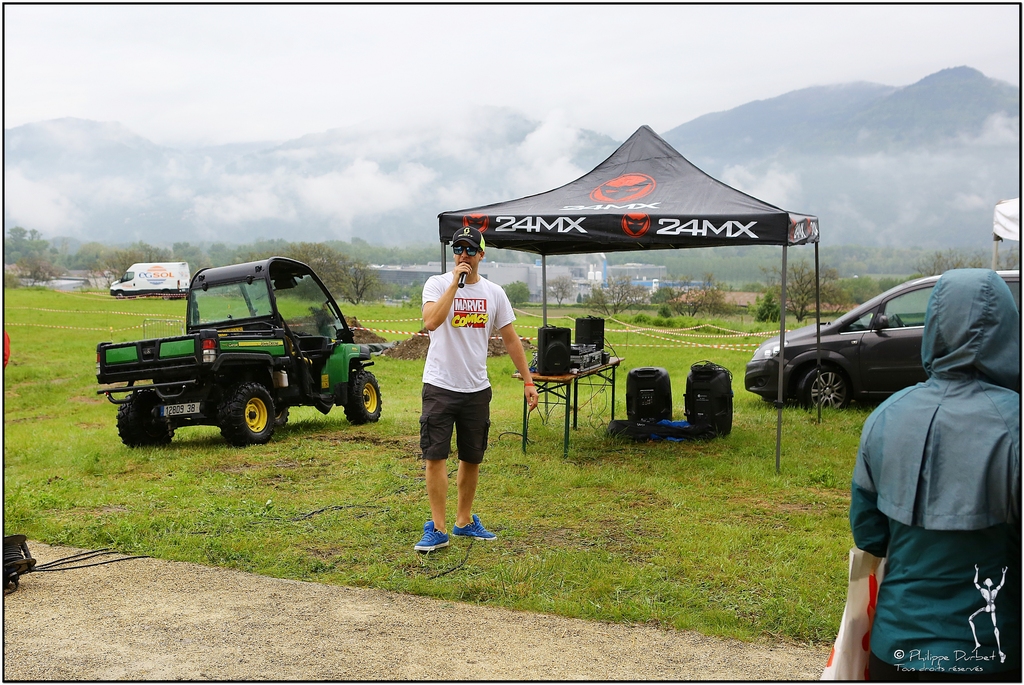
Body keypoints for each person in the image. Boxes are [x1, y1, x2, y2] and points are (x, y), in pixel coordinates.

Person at [850, 268, 1020, 681]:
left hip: (895, 650)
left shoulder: (884, 417)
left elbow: (869, 536)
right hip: (993, 655)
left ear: (933, 328)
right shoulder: (1015, 424)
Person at [414, 226, 539, 552]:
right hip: (440, 385)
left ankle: (464, 521)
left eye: (471, 250)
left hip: (476, 388)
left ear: (482, 254)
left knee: (472, 457)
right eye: (459, 249)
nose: (464, 255)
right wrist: (454, 285)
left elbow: (511, 339)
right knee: (435, 456)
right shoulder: (437, 284)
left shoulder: (494, 293)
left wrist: (528, 380)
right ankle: (438, 528)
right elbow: (431, 322)